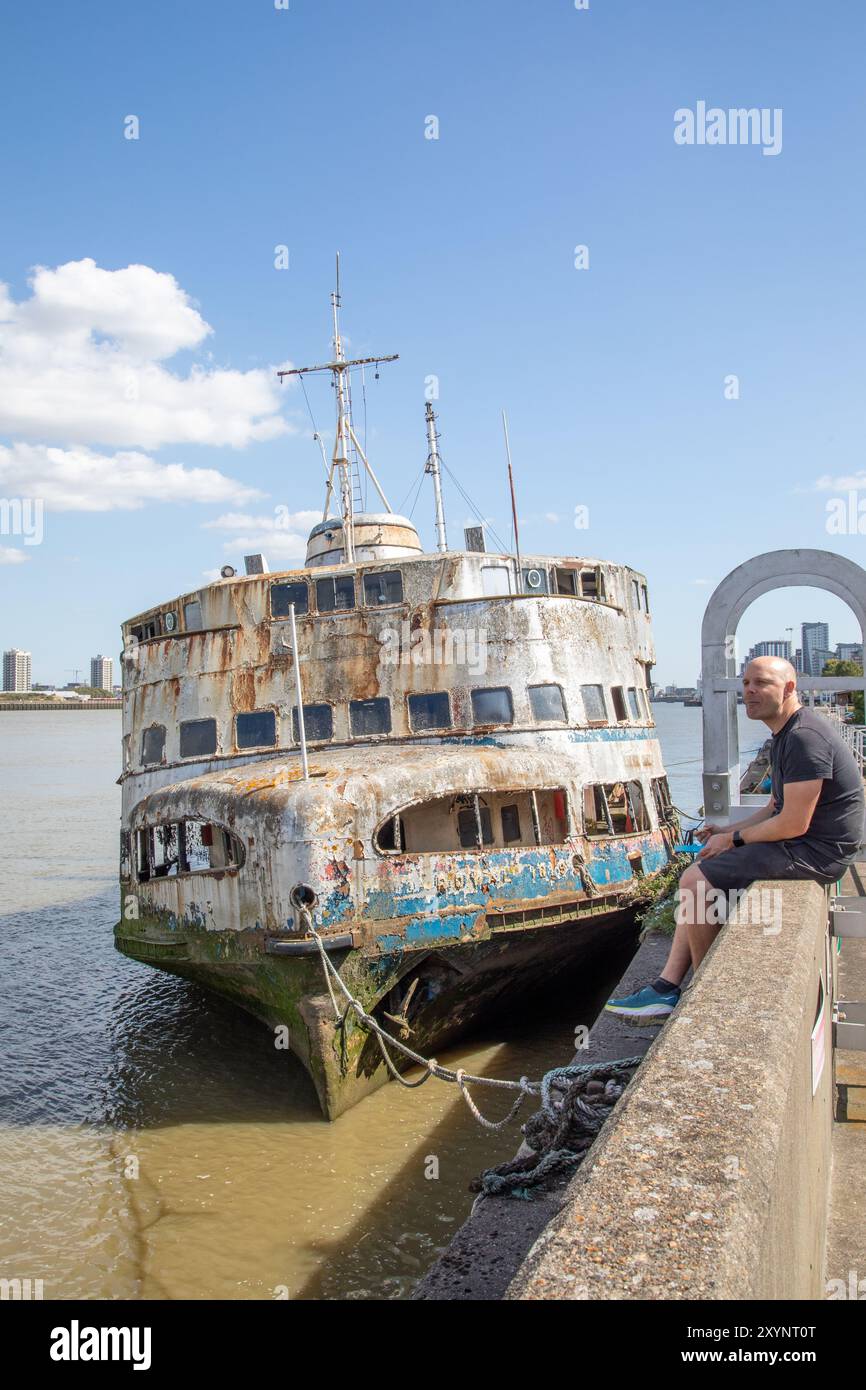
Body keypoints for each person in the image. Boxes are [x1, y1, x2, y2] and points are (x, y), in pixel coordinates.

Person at [605, 656, 865, 1022]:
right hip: (807, 843)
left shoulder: (805, 738)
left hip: (819, 852)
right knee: (701, 868)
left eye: (761, 683)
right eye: (745, 684)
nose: (749, 692)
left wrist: (736, 840)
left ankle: (705, 995)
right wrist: (726, 832)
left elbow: (793, 823)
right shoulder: (785, 735)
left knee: (696, 880)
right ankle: (667, 986)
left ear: (789, 689)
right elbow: (777, 806)